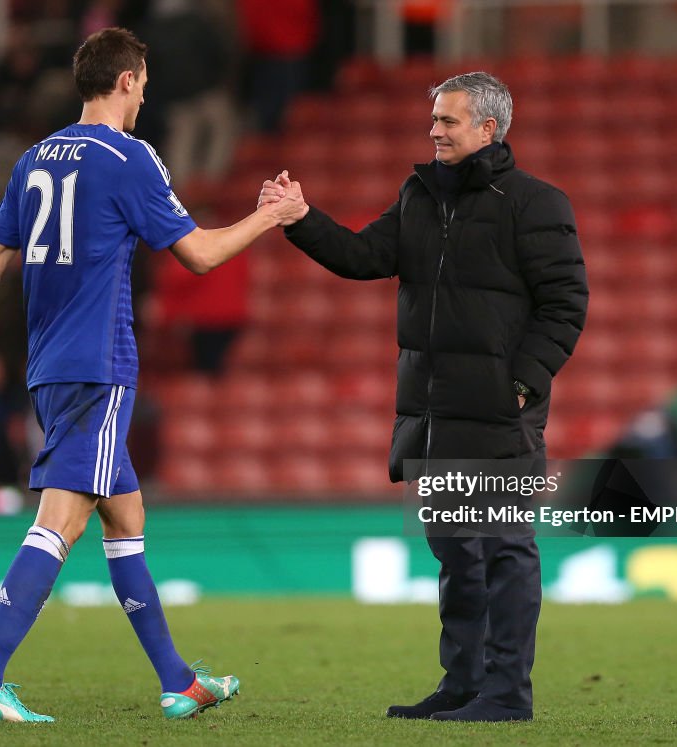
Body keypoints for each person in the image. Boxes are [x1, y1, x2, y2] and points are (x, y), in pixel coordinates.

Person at [0, 28, 305, 724]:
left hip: (51, 365)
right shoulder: (131, 157)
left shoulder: (34, 158)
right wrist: (269, 215)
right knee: (60, 521)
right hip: (99, 366)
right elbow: (202, 255)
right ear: (125, 80)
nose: (146, 94)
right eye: (145, 83)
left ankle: (179, 681)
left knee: (126, 514)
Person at [260, 72, 588, 722]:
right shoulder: (419, 196)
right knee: (455, 554)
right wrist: (301, 218)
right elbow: (362, 255)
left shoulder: (535, 203)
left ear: (488, 129)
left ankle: (507, 693)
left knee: (502, 550)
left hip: (498, 411)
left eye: (448, 121)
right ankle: (464, 684)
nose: (434, 130)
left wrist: (522, 380)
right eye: (434, 119)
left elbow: (566, 304)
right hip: (432, 414)